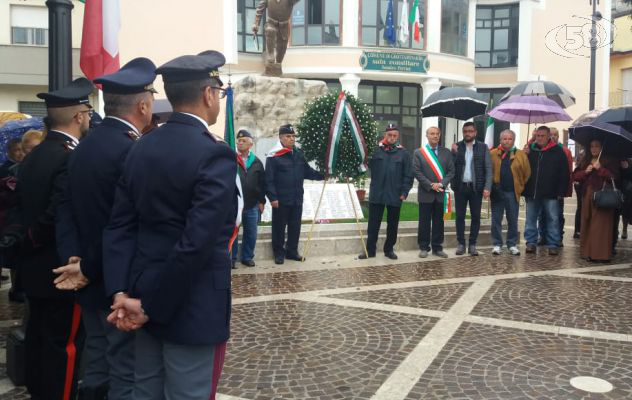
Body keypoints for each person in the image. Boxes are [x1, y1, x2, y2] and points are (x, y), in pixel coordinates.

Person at [102, 51, 235, 400]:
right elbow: (197, 243)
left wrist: (121, 293)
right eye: (218, 92)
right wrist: (149, 306)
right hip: (189, 304)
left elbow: (119, 227)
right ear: (208, 94)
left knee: (145, 391)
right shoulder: (214, 153)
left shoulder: (141, 147)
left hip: (139, 293)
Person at [54, 58, 157, 400]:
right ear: (143, 105)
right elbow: (124, 226)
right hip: (119, 282)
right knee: (126, 369)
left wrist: (75, 258)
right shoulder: (133, 151)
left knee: (97, 361)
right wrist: (87, 266)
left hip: (86, 277)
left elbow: (65, 209)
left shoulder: (83, 148)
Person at [15, 77, 93, 400]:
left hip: (33, 271)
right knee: (63, 348)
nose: (89, 118)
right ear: (78, 116)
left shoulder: (35, 154)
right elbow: (56, 214)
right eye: (87, 113)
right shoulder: (67, 155)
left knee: (38, 340)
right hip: (61, 270)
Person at [266, 124, 324, 264]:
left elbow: (308, 172)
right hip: (281, 200)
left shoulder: (298, 154)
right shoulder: (273, 156)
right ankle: (279, 253)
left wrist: (323, 175)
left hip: (297, 198)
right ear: (280, 138)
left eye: (293, 136)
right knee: (279, 228)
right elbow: (268, 180)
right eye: (288, 136)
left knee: (295, 227)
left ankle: (292, 252)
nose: (292, 139)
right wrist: (273, 198)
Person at [360, 124, 413, 260]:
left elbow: (408, 175)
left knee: (393, 225)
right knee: (373, 224)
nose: (392, 138)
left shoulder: (404, 153)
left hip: (395, 195)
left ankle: (389, 249)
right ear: (385, 135)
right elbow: (363, 164)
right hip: (377, 194)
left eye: (394, 135)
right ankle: (370, 250)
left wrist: (404, 192)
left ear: (398, 137)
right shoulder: (375, 151)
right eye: (389, 135)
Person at [523, 126, 570, 255]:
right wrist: (524, 155)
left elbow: (564, 173)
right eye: (537, 135)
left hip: (551, 192)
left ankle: (553, 243)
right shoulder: (530, 151)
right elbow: (522, 169)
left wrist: (561, 191)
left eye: (542, 136)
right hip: (532, 191)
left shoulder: (558, 151)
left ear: (549, 136)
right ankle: (531, 242)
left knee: (553, 218)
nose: (539, 138)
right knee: (531, 218)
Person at [572, 139, 619, 262]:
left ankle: (600, 255)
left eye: (597, 146)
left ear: (602, 147)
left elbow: (614, 177)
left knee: (600, 225)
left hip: (601, 196)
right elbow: (575, 176)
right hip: (587, 195)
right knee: (587, 223)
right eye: (592, 146)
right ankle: (587, 252)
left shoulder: (609, 160)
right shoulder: (586, 159)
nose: (594, 149)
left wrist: (601, 169)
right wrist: (585, 172)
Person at [451, 121, 492, 256]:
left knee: (475, 217)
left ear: (475, 132)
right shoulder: (457, 147)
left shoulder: (483, 147)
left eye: (470, 131)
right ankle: (461, 244)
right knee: (460, 217)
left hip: (476, 188)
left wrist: (487, 187)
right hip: (461, 187)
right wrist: (454, 153)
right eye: (465, 131)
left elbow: (488, 168)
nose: (467, 133)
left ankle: (472, 244)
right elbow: (451, 167)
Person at [413, 127, 454, 259]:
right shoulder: (419, 153)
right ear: (427, 136)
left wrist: (441, 184)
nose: (435, 136)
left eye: (437, 134)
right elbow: (417, 172)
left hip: (441, 193)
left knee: (439, 222)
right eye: (432, 134)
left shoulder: (446, 153)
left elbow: (451, 171)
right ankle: (424, 247)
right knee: (424, 222)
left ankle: (437, 247)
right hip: (426, 193)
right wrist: (430, 185)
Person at [489, 129, 530, 256]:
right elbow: (488, 171)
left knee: (513, 219)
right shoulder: (493, 153)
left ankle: (512, 244)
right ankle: (497, 244)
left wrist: (520, 186)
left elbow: (527, 173)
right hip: (497, 191)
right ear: (500, 140)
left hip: (512, 192)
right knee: (496, 219)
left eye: (510, 138)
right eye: (504, 139)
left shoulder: (521, 154)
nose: (507, 141)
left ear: (513, 140)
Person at [231, 129, 266, 268]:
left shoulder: (257, 162)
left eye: (243, 140)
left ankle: (247, 257)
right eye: (239, 140)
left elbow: (262, 183)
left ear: (250, 144)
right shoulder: (231, 160)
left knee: (251, 233)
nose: (240, 143)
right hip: (234, 204)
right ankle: (232, 258)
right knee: (233, 232)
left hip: (252, 204)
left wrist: (262, 201)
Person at [537, 127, 573, 247]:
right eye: (551, 134)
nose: (553, 137)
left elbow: (566, 172)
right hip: (542, 189)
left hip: (556, 190)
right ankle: (542, 236)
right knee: (542, 214)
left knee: (556, 215)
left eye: (555, 135)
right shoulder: (539, 149)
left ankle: (558, 238)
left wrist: (563, 191)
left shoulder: (564, 151)